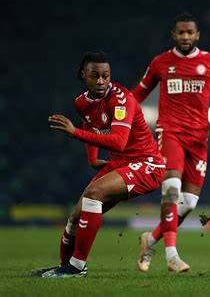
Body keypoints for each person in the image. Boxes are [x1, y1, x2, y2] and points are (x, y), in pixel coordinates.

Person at [31, 52, 169, 278]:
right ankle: (64, 267)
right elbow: (89, 124)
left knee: (93, 194)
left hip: (147, 165)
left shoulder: (121, 99)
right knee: (76, 215)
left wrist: (74, 134)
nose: (101, 81)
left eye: (105, 75)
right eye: (95, 76)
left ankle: (77, 267)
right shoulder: (81, 103)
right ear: (83, 75)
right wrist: (92, 159)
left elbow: (118, 141)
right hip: (119, 164)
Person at [132, 12, 210, 272]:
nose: (185, 36)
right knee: (171, 189)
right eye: (181, 32)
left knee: (189, 203)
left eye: (190, 32)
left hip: (198, 138)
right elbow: (139, 93)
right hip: (170, 132)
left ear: (197, 35)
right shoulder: (161, 63)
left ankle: (150, 239)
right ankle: (171, 256)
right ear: (173, 35)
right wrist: (119, 111)